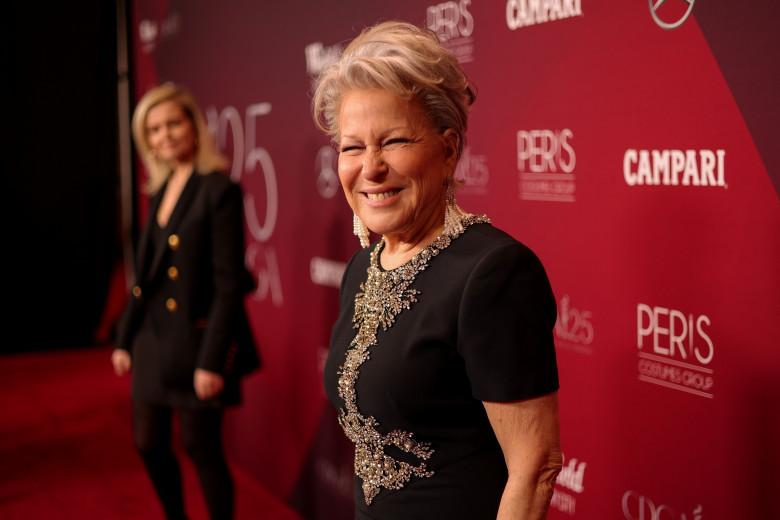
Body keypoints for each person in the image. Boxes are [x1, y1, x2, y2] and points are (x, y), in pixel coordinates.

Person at [312, 21, 562, 519]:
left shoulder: (493, 273)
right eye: (352, 147)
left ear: (448, 150)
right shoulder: (364, 267)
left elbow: (535, 466)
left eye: (395, 141)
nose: (371, 167)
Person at [111, 83, 260, 520]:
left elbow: (230, 284)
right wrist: (123, 338)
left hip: (197, 342)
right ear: (147, 142)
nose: (165, 135)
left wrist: (212, 361)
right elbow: (145, 279)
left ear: (194, 127)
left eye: (173, 123)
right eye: (154, 130)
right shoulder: (156, 193)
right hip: (153, 342)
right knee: (148, 443)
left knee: (201, 447)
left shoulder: (218, 189)